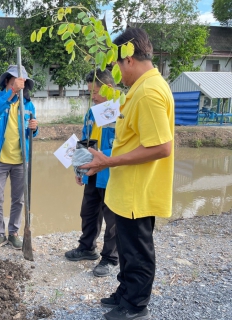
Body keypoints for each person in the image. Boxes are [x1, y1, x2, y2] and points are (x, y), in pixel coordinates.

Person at [81, 28, 174, 320]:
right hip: (126, 190)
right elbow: (118, 124)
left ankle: (136, 306)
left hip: (137, 190)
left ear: (129, 59)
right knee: (126, 246)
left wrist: (110, 161)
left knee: (137, 251)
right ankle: (125, 292)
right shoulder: (140, 89)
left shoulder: (149, 92)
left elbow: (161, 147)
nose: (118, 72)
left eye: (118, 65)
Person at [65, 69, 118, 277]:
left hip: (110, 173)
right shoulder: (91, 112)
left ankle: (110, 257)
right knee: (88, 213)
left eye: (95, 92)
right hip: (91, 172)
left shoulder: (120, 111)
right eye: (90, 93)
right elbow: (85, 141)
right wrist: (78, 168)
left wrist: (102, 157)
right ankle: (87, 248)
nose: (92, 97)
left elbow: (124, 147)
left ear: (109, 88)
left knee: (112, 218)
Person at [0, 65, 39, 253]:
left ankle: (13, 233)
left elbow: (32, 130)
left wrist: (34, 127)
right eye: (16, 81)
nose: (20, 85)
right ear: (8, 81)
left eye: (22, 82)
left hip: (21, 161)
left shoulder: (28, 104)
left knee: (19, 200)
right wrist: (11, 94)